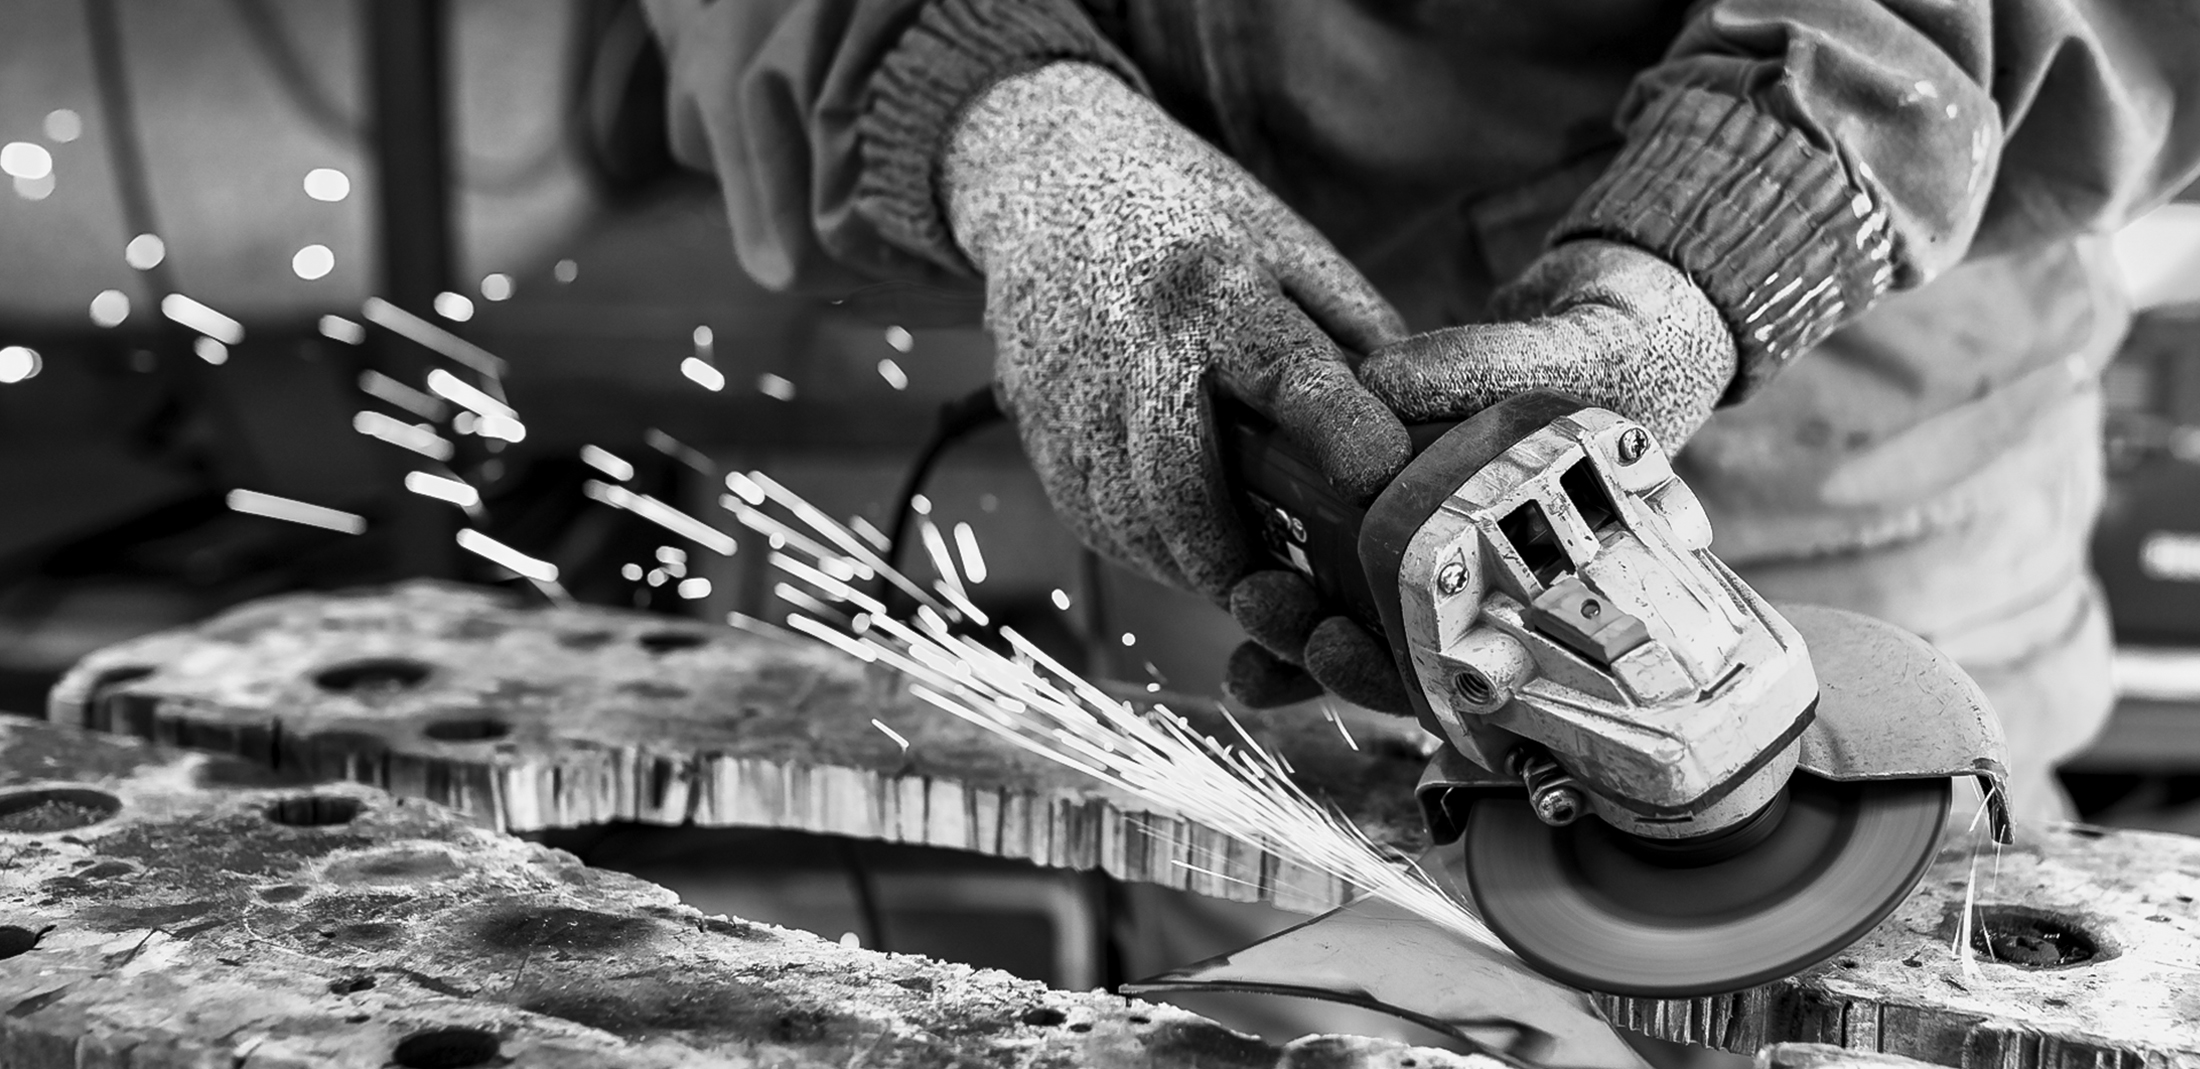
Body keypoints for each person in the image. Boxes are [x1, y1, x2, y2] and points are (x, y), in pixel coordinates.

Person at [643, 0, 2200, 828]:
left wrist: (1759, 206)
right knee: (1292, 981)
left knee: (1916, 960)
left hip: (1863, 487)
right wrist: (988, 104)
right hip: (1213, 436)